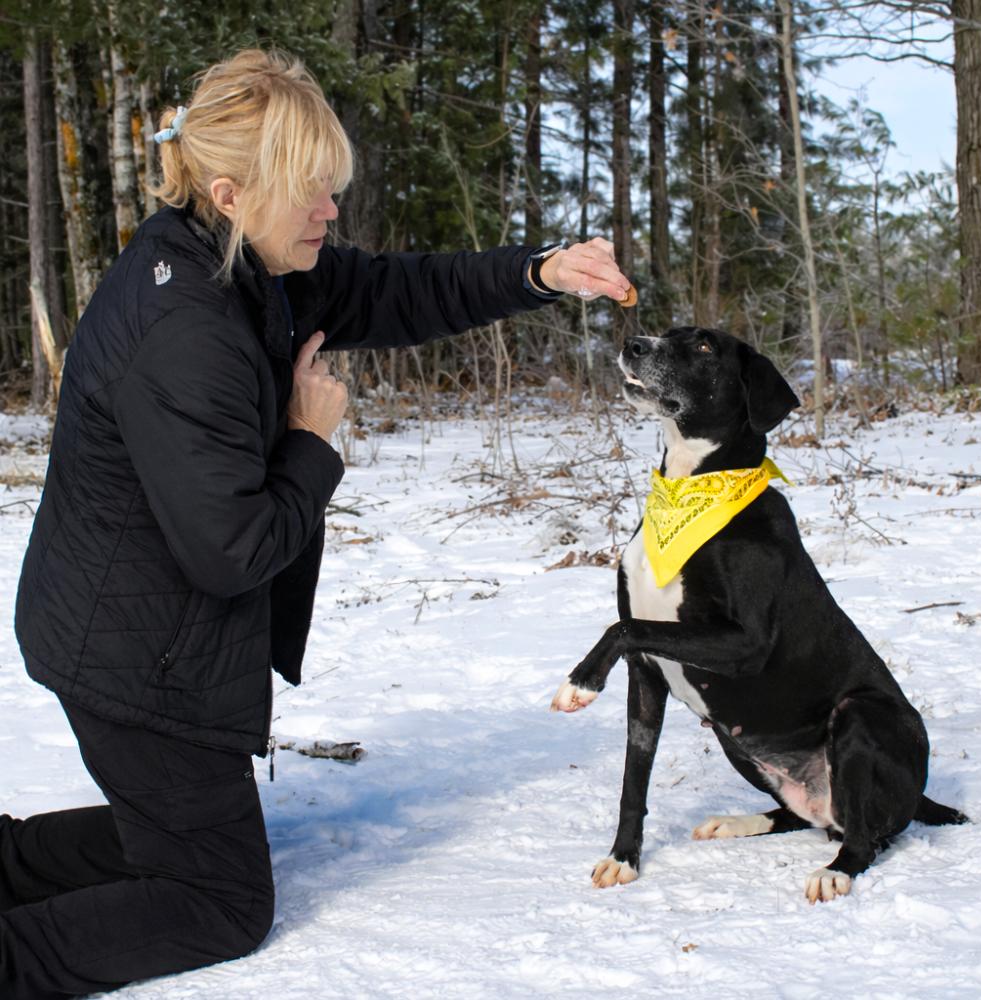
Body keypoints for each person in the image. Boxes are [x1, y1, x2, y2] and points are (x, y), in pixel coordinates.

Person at [3, 49, 630, 997]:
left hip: (129, 629)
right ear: (231, 189)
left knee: (175, 842)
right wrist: (310, 443)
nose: (330, 211)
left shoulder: (240, 257)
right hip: (138, 660)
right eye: (312, 192)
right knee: (216, 898)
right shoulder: (191, 331)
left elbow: (388, 290)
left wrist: (538, 271)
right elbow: (231, 552)